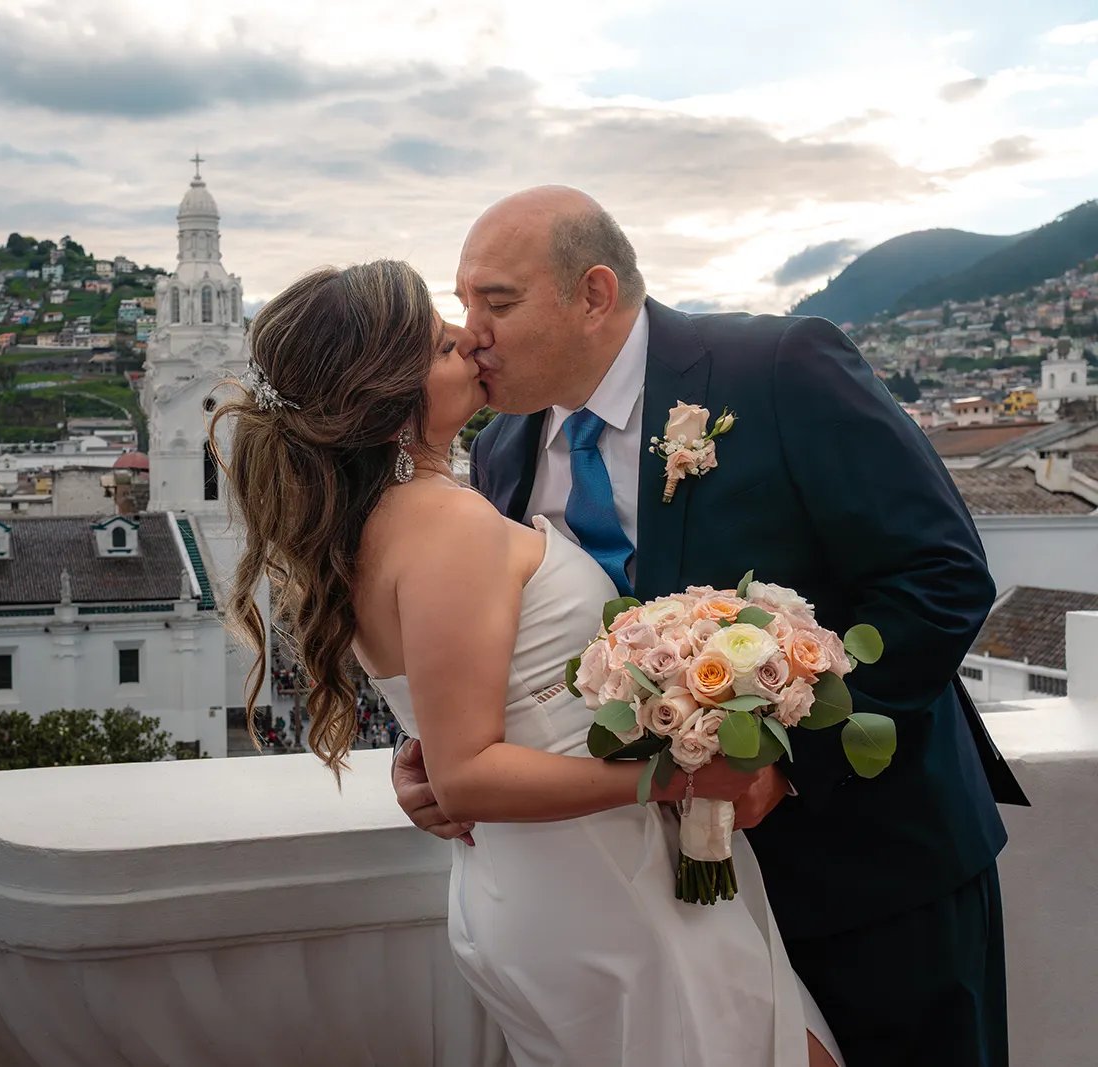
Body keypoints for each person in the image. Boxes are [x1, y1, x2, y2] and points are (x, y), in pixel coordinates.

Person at [393, 187, 1023, 1067]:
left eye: (497, 302)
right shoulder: (500, 453)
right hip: (670, 915)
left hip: (872, 873)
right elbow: (511, 655)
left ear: (594, 294)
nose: (471, 332)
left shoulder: (777, 368)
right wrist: (438, 761)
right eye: (462, 304)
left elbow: (942, 577)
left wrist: (790, 768)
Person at [215, 259, 839, 1066]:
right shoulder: (449, 527)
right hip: (600, 885)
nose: (471, 343)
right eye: (443, 345)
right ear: (387, 396)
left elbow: (467, 715)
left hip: (570, 876)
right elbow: (469, 774)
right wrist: (679, 777)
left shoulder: (378, 526)